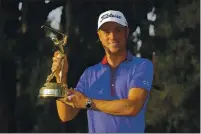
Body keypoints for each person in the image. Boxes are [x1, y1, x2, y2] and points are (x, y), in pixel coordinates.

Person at [53, 10, 154, 133]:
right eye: (106, 31)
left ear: (126, 32)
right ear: (99, 36)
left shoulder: (142, 66)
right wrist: (60, 78)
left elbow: (132, 107)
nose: (112, 36)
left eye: (117, 30)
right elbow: (66, 115)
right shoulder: (89, 74)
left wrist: (88, 103)